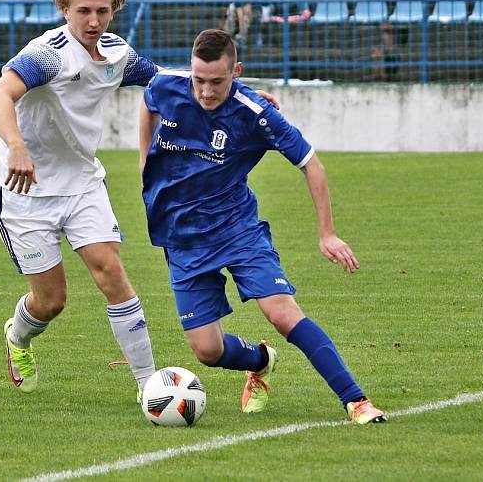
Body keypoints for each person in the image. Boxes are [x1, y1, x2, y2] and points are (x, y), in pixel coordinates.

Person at [138, 29, 387, 424]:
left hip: (237, 229)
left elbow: (312, 164)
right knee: (207, 351)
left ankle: (356, 401)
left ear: (236, 72)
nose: (205, 91)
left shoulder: (255, 113)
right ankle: (260, 360)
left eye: (217, 82)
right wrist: (145, 163)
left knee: (283, 313)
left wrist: (327, 232)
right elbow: (149, 99)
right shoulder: (167, 85)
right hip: (183, 238)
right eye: (199, 80)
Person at [0, 0, 161, 398]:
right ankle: (18, 337)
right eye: (83, 10)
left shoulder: (118, 54)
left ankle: (149, 387)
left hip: (83, 185)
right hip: (26, 192)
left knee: (111, 274)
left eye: (103, 11)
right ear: (65, 8)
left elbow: (170, 81)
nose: (94, 21)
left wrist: (241, 93)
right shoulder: (47, 54)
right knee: (51, 302)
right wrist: (17, 146)